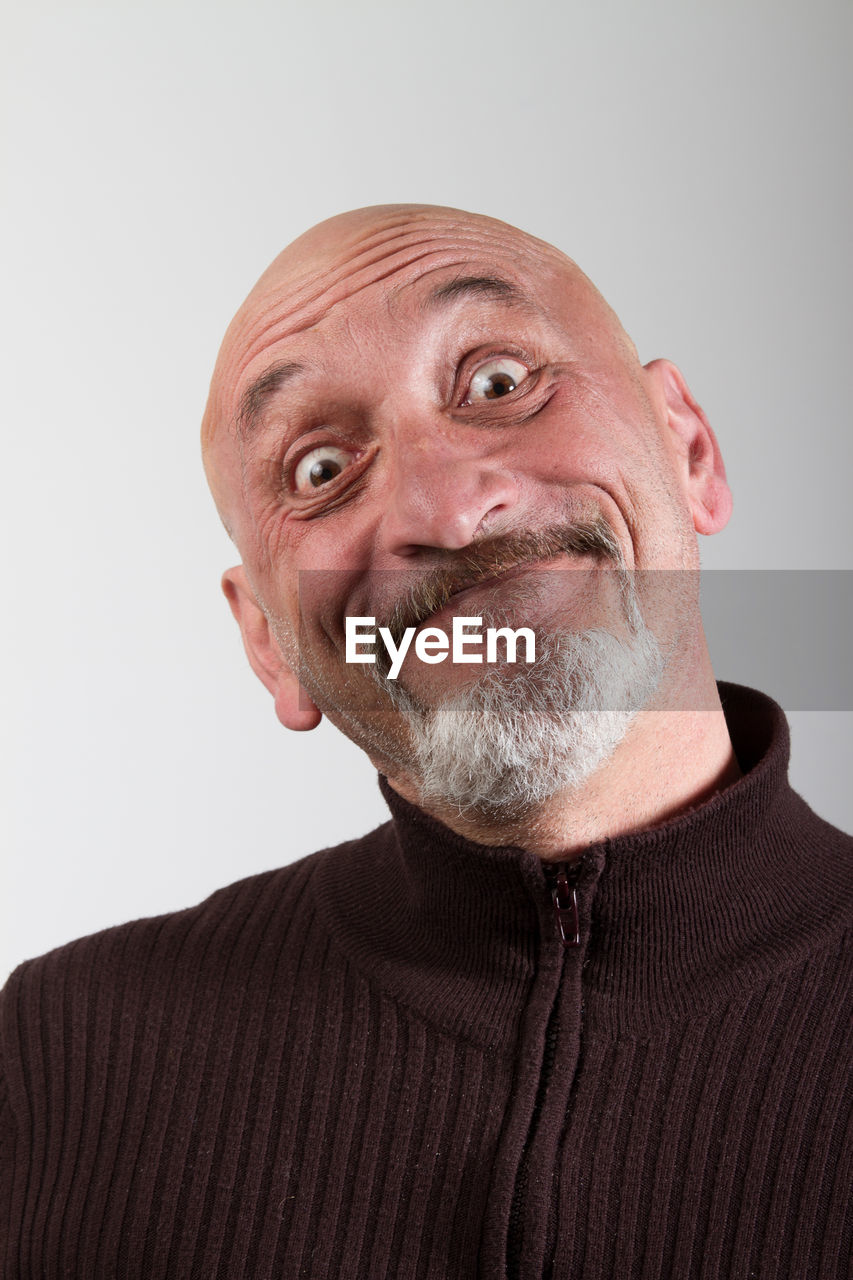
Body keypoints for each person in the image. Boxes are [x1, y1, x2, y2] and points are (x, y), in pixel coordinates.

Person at [1, 205, 850, 1279]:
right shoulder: (59, 1057)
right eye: (318, 469)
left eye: (498, 382)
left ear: (686, 447)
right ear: (268, 643)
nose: (444, 508)